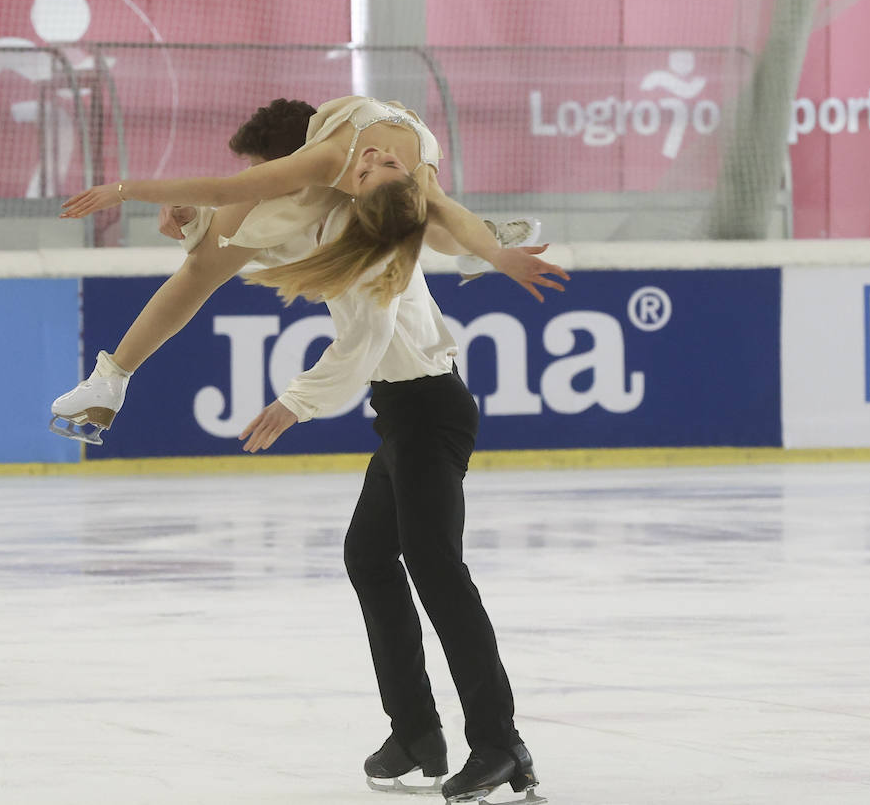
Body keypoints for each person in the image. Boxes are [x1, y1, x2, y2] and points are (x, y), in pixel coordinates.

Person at [137, 152, 564, 800]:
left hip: (429, 411)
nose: (370, 155)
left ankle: (500, 742)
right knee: (368, 556)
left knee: (436, 569)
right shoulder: (337, 219)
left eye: (381, 165)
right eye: (373, 154)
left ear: (370, 197)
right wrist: (196, 221)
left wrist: (293, 404)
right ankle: (418, 732)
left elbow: (361, 343)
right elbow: (262, 240)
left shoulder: (378, 260)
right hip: (402, 412)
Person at [51, 95, 547, 444]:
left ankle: (112, 378)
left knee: (204, 265)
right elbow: (225, 193)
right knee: (431, 221)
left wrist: (126, 192)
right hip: (375, 203)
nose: (374, 159)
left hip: (425, 393)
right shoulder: (372, 164)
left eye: (254, 170)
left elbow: (226, 194)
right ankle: (111, 378)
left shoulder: (349, 167)